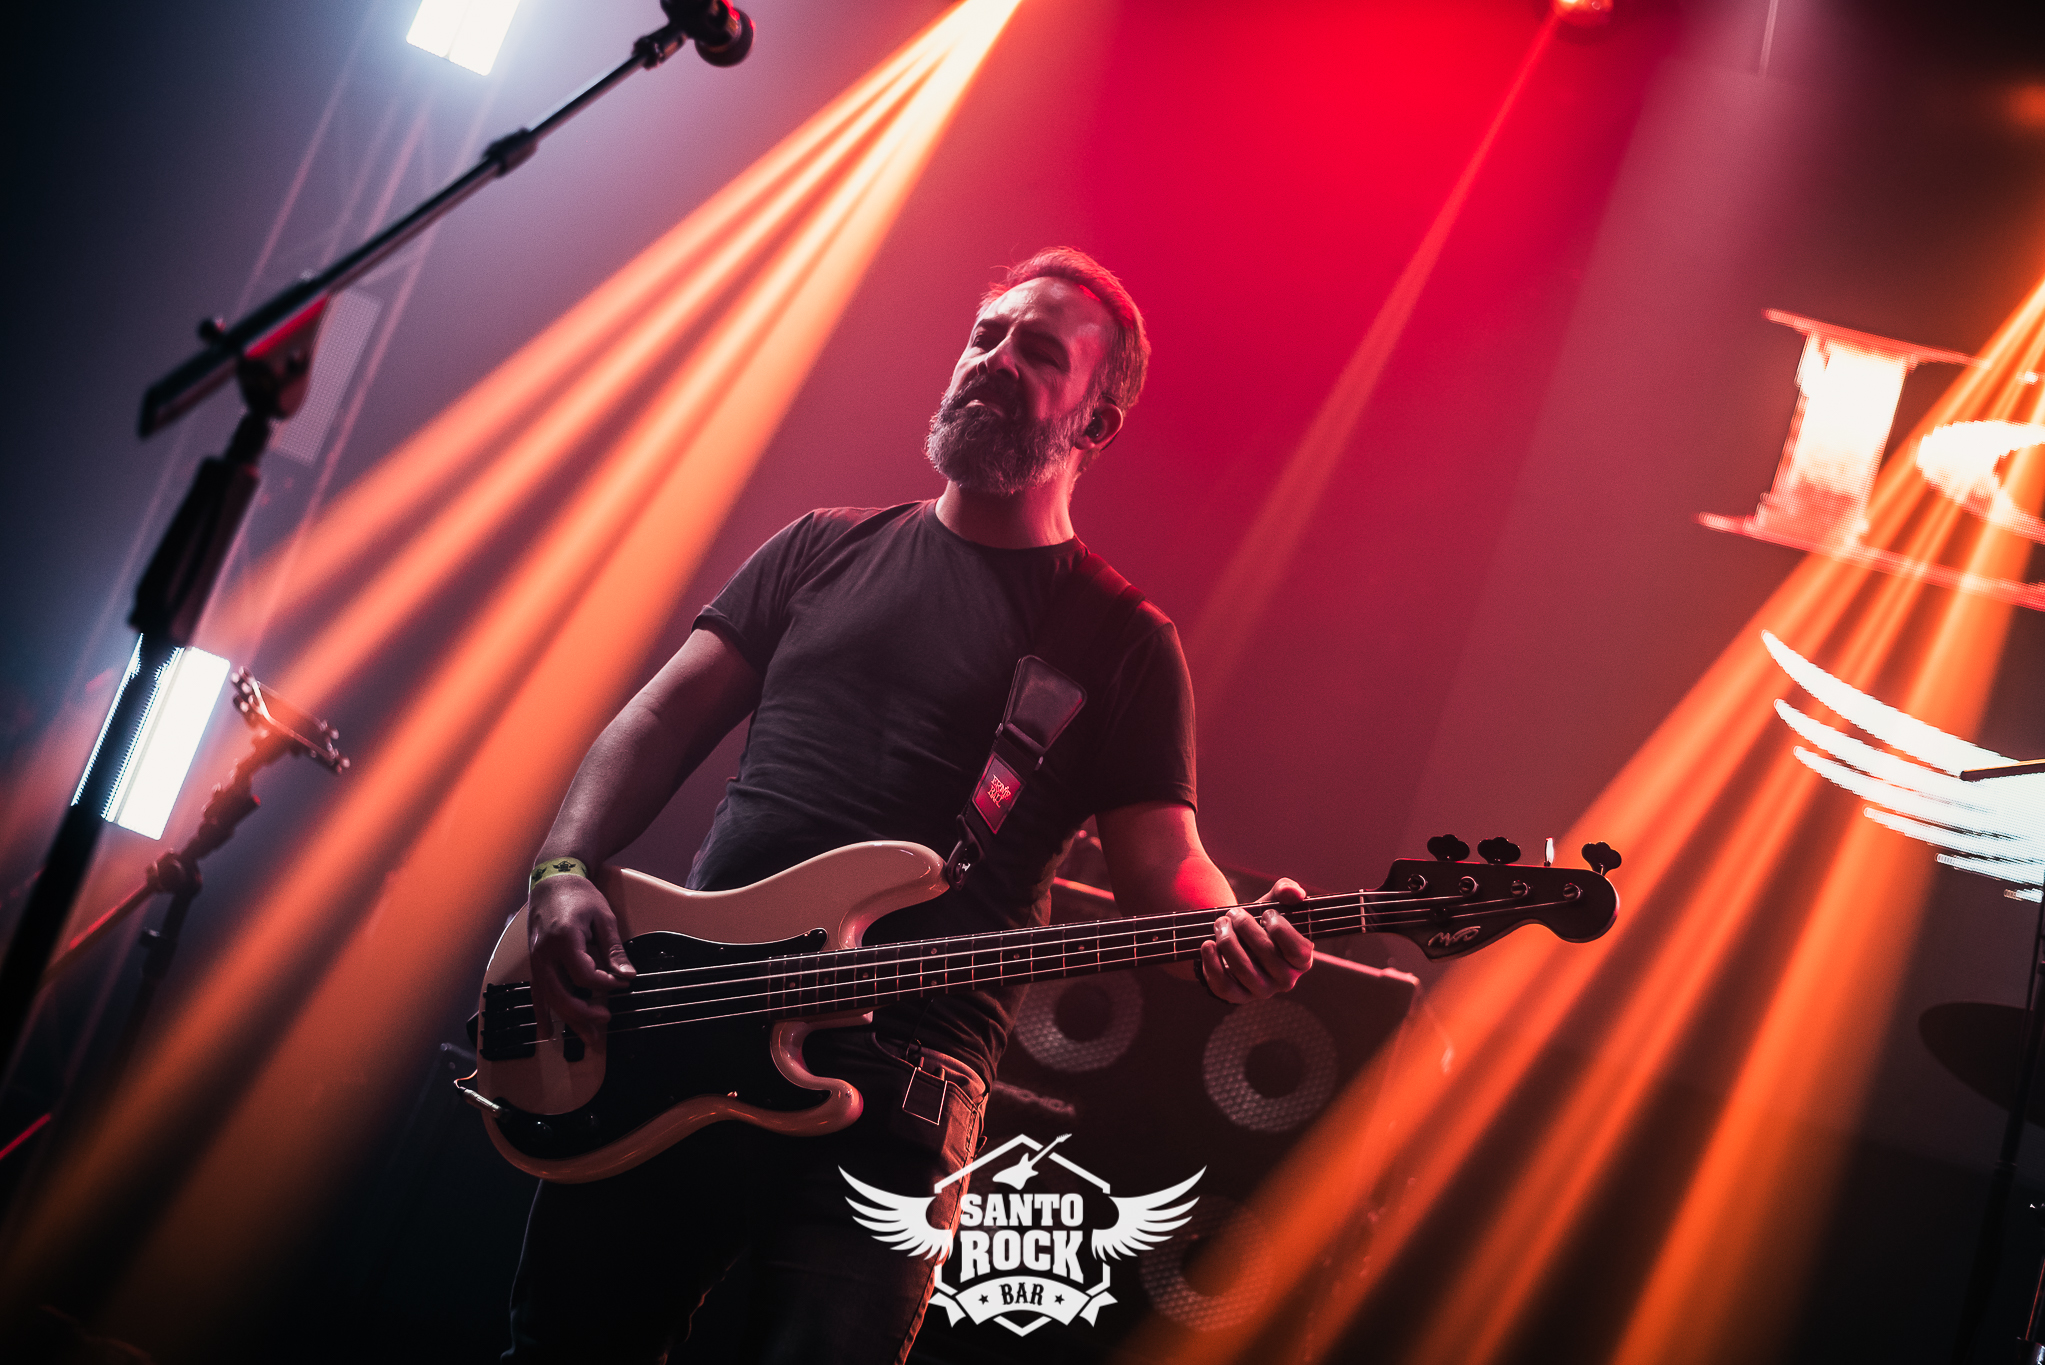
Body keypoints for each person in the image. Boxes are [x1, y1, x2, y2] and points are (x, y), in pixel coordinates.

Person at [504, 247, 1313, 1364]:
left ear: (1097, 421)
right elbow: (657, 721)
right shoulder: (819, 548)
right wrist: (561, 868)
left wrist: (1222, 928)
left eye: (1039, 353)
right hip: (683, 1016)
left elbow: (1163, 862)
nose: (995, 360)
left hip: (902, 1079)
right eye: (986, 335)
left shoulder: (1120, 640)